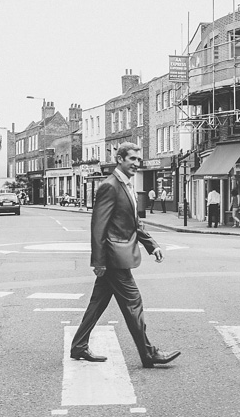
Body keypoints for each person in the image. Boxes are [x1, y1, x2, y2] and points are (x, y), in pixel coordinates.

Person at [70, 142, 180, 368]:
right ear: (120, 159)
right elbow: (98, 227)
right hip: (113, 258)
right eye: (132, 159)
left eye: (138, 160)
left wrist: (151, 244)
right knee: (134, 303)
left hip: (117, 256)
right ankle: (149, 353)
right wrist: (98, 261)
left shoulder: (125, 185)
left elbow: (133, 222)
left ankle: (79, 346)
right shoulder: (110, 186)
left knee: (98, 302)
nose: (137, 164)